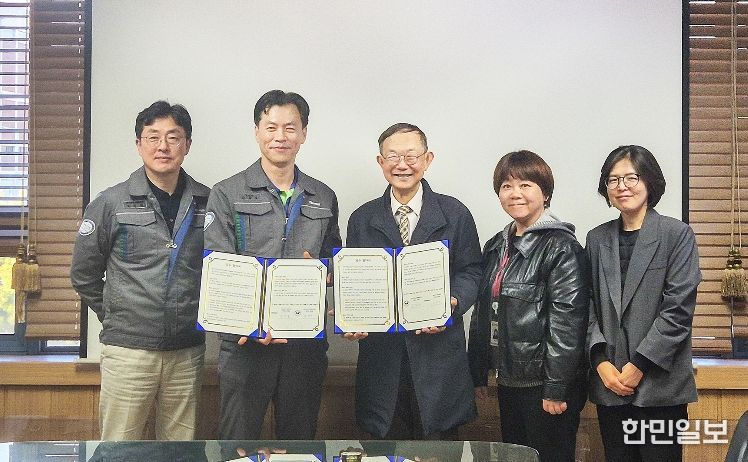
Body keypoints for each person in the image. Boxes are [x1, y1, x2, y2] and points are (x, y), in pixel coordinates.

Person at [204, 90, 341, 440]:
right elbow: (219, 266)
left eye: (290, 128)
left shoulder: (323, 195)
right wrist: (249, 324)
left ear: (304, 134)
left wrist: (325, 270)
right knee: (237, 446)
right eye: (271, 127)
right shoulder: (227, 193)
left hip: (304, 346)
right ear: (257, 132)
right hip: (246, 345)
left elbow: (334, 258)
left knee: (299, 446)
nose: (280, 136)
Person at [70, 101, 210, 440]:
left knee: (180, 452)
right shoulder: (110, 202)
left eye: (173, 137)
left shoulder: (208, 202)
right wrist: (118, 313)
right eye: (153, 137)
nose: (163, 146)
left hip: (186, 350)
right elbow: (83, 274)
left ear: (187, 144)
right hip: (128, 351)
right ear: (138, 144)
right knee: (120, 449)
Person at [345, 122, 482, 440]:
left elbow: (472, 270)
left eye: (411, 155)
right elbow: (354, 280)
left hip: (438, 358)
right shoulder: (362, 219)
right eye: (393, 156)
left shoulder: (455, 213)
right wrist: (351, 317)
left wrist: (453, 302)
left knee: (440, 449)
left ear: (428, 159)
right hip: (383, 359)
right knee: (386, 451)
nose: (402, 164)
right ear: (381, 162)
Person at [467, 150, 589, 462]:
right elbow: (483, 313)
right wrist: (478, 371)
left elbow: (568, 323)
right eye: (506, 186)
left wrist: (556, 387)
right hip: (509, 379)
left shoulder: (562, 247)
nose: (515, 193)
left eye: (525, 185)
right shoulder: (496, 246)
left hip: (543, 384)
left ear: (545, 193)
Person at [586, 145, 700, 462]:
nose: (622, 186)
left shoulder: (676, 234)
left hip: (660, 386)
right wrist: (600, 362)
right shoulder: (596, 239)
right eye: (613, 179)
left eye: (631, 177)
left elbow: (677, 311)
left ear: (650, 181)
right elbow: (587, 305)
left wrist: (639, 366)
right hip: (611, 383)